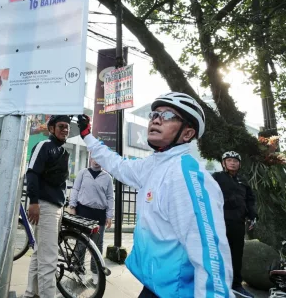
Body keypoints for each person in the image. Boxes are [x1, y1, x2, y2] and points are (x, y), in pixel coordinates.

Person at [77, 92, 234, 298]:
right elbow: (117, 165)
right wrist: (87, 136)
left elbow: (211, 255)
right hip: (152, 288)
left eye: (168, 116)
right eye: (155, 114)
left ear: (187, 134)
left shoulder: (188, 177)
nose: (157, 120)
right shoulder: (152, 164)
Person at [24, 115, 71, 298]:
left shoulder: (63, 151)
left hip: (56, 207)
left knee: (40, 253)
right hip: (44, 206)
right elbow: (32, 173)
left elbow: (60, 183)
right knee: (49, 259)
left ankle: (31, 293)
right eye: (61, 126)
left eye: (67, 127)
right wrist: (33, 202)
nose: (65, 129)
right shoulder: (44, 146)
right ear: (51, 128)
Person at [213, 151, 257, 298]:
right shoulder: (216, 178)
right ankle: (216, 284)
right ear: (223, 163)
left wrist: (252, 216)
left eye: (235, 161)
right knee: (218, 253)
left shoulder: (243, 180)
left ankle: (236, 285)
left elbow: (250, 200)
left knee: (237, 255)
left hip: (238, 224)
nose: (233, 163)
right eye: (229, 160)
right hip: (220, 222)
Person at [69, 157, 114, 284]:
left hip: (99, 214)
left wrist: (109, 216)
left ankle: (95, 272)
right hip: (83, 212)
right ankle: (78, 270)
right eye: (94, 158)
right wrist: (72, 206)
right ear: (90, 159)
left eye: (100, 158)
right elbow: (75, 189)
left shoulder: (107, 178)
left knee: (97, 245)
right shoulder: (83, 173)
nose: (97, 161)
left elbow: (110, 197)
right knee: (81, 243)